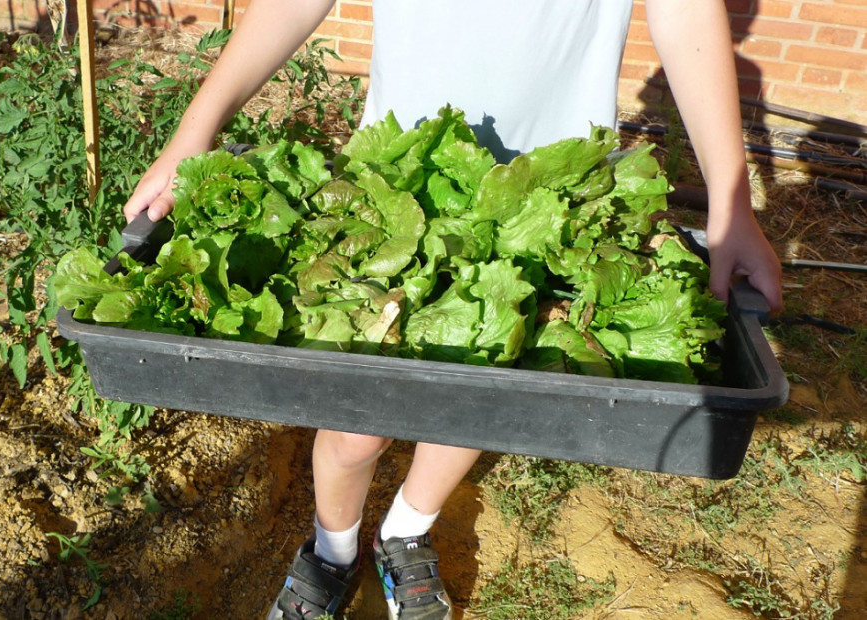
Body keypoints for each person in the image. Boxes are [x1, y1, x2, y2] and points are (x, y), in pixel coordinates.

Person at [123, 1, 784, 618]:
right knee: (355, 425)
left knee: (478, 393)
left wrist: (731, 203)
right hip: (398, 184)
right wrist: (196, 129)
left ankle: (405, 532)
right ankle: (333, 553)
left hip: (547, 200)